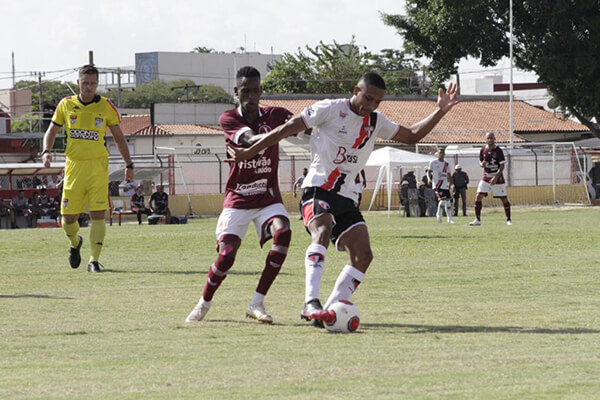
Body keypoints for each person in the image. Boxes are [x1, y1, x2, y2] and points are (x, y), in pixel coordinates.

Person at [227, 72, 460, 327]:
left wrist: (441, 111)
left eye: (376, 102)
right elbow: (285, 129)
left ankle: (326, 313)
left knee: (363, 255)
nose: (370, 106)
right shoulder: (329, 109)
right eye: (367, 98)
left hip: (346, 196)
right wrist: (250, 151)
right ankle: (310, 302)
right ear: (355, 90)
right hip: (317, 189)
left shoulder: (376, 121)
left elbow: (412, 135)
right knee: (323, 230)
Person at [185, 66, 295, 324]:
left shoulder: (275, 114)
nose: (251, 96)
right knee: (226, 256)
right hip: (238, 199)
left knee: (284, 233)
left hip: (268, 198)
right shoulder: (228, 118)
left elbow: (304, 125)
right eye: (245, 91)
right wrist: (280, 133)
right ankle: (204, 303)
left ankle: (257, 302)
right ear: (236, 92)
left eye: (256, 91)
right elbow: (249, 140)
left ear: (261, 92)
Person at [42, 64, 134, 273]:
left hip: (98, 167)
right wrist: (46, 151)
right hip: (74, 166)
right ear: (78, 83)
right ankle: (75, 243)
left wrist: (129, 165)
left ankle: (94, 260)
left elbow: (119, 138)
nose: (89, 87)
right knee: (68, 220)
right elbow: (51, 130)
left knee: (98, 214)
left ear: (97, 84)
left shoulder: (106, 106)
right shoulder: (66, 105)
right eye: (85, 83)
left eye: (93, 83)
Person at [470, 132, 512, 226]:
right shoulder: (483, 150)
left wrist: (496, 177)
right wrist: (482, 164)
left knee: (504, 198)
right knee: (478, 196)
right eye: (488, 138)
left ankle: (508, 219)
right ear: (486, 139)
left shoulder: (498, 151)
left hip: (497, 177)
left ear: (494, 139)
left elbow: (502, 165)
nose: (490, 140)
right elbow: (481, 163)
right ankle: (477, 219)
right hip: (486, 176)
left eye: (491, 138)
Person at [428, 147, 455, 224]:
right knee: (443, 200)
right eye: (440, 153)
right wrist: (429, 179)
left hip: (445, 184)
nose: (441, 154)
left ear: (444, 154)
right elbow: (429, 171)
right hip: (437, 184)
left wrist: (452, 184)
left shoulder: (446, 164)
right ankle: (438, 215)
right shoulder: (433, 162)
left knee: (448, 201)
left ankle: (449, 219)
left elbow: (449, 174)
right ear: (438, 154)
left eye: (443, 153)